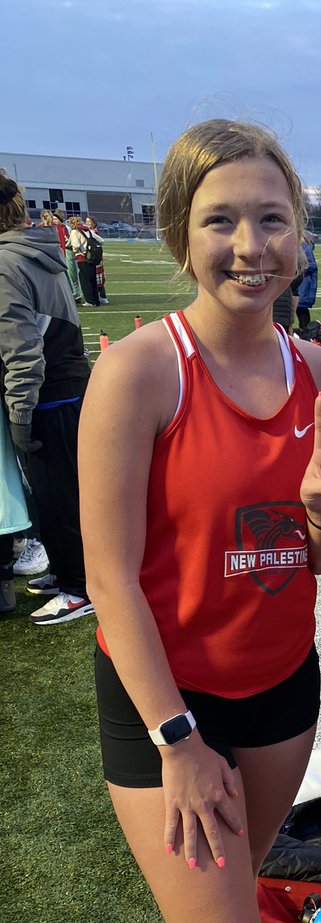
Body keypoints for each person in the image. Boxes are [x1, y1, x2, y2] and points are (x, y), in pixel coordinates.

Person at [77, 119, 321, 923]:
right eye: (221, 221)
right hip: (166, 705)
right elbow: (111, 581)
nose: (251, 245)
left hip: (282, 690)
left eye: (272, 219)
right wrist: (179, 741)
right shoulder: (139, 372)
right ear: (179, 235)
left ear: (301, 235)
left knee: (236, 900)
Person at [0, 170, 92, 625]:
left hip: (47, 393)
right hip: (67, 385)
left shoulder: (5, 262)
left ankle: (79, 587)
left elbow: (22, 348)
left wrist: (20, 411)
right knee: (63, 491)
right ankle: (67, 571)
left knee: (57, 494)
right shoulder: (32, 249)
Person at [67, 216, 101, 306]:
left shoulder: (74, 232)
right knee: (92, 280)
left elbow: (76, 245)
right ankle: (95, 300)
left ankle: (89, 301)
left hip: (82, 258)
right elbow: (101, 240)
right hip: (91, 257)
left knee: (85, 280)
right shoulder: (88, 231)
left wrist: (76, 251)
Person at [53, 208, 83, 303]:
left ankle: (77, 294)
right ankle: (70, 293)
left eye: (55, 219)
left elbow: (71, 241)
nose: (54, 221)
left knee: (72, 274)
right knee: (65, 276)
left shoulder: (66, 228)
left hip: (69, 253)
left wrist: (65, 245)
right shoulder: (56, 228)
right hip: (62, 253)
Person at [294, 235, 318, 330]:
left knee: (301, 307)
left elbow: (311, 265)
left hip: (302, 281)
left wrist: (297, 268)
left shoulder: (304, 246)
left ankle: (305, 331)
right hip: (299, 281)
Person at [84, 216, 109, 303]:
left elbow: (100, 242)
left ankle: (102, 296)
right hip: (94, 256)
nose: (87, 223)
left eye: (89, 221)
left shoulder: (93, 232)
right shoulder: (90, 231)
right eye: (86, 221)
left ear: (94, 223)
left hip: (95, 257)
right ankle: (99, 296)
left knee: (98, 277)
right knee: (96, 276)